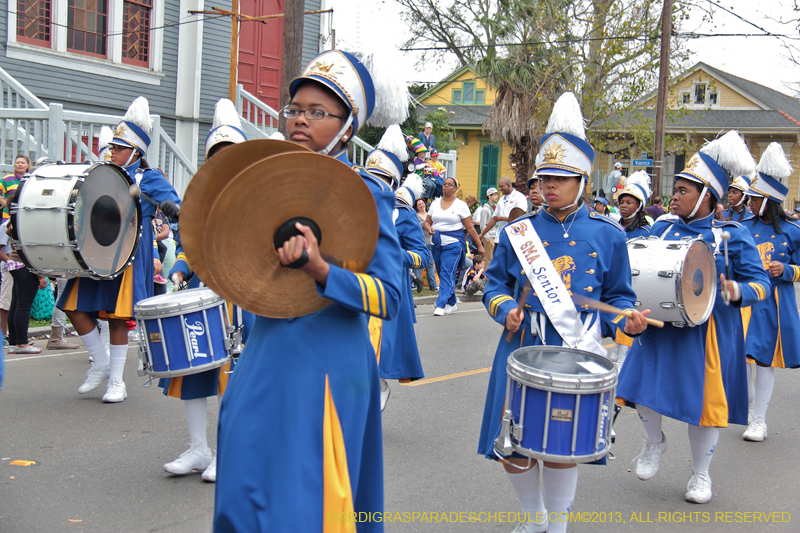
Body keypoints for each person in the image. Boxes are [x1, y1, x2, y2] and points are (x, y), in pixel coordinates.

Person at [213, 49, 406, 532]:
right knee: (244, 484)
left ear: (347, 127)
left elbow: (389, 297)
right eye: (295, 109)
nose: (300, 121)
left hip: (327, 366)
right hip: (263, 356)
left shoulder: (367, 192)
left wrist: (323, 270)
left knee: (309, 502)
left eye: (318, 113)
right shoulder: (261, 180)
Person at [478, 92, 648, 533]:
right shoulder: (521, 232)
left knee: (560, 441)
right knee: (512, 443)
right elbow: (495, 284)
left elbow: (619, 296)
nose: (548, 186)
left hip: (578, 347)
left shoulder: (608, 234)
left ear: (582, 181)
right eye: (544, 177)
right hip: (523, 343)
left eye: (560, 177)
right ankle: (534, 520)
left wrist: (625, 319)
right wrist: (503, 310)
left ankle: (558, 524)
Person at [617, 131, 770, 505]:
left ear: (706, 197)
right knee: (639, 389)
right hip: (658, 328)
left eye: (684, 190)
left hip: (707, 333)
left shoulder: (731, 236)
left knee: (701, 406)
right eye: (676, 188)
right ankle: (654, 443)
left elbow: (761, 283)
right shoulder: (662, 228)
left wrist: (737, 292)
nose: (675, 195)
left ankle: (700, 474)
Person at [58, 96, 181, 403]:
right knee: (73, 306)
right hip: (95, 249)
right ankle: (100, 363)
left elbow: (179, 208)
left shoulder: (150, 178)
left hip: (128, 254)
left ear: (136, 152)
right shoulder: (102, 173)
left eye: (119, 148)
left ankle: (116, 381)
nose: (113, 152)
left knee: (116, 316)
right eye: (112, 147)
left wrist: (166, 205)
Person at [159, 98, 252, 483]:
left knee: (231, 375)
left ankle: (229, 451)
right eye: (216, 153)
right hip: (202, 291)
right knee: (193, 369)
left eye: (230, 154)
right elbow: (187, 246)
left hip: (243, 296)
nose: (222, 160)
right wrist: (180, 270)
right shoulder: (197, 195)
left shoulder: (259, 192)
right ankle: (199, 448)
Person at [364, 125, 428, 410]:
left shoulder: (401, 214)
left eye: (380, 178)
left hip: (385, 286)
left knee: (375, 350)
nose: (373, 183)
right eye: (370, 177)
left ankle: (378, 390)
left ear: (391, 182)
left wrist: (393, 254)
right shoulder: (350, 204)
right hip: (352, 281)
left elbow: (421, 257)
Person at [740, 143, 800, 442]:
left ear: (769, 200)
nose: (749, 203)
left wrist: (787, 271)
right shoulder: (742, 226)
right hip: (745, 300)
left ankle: (759, 419)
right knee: (743, 358)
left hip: (774, 302)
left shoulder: (793, 230)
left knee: (764, 359)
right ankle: (750, 410)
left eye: (754, 199)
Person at [425, 176, 484, 316]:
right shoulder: (435, 203)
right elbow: (427, 221)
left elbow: (469, 228)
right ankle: (451, 302)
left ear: (455, 188)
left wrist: (480, 246)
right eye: (444, 184)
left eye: (450, 184)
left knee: (447, 272)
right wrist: (428, 228)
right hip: (437, 242)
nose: (446, 186)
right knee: (442, 273)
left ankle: (440, 304)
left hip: (454, 244)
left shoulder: (461, 205)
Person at [5, 239, 46, 354]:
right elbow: (32, 247)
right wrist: (41, 275)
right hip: (25, 263)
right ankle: (22, 343)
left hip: (15, 262)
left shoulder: (14, 222)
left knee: (16, 304)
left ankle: (13, 342)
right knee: (24, 305)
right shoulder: (28, 222)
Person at [477, 176, 528, 249]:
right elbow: (494, 219)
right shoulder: (501, 200)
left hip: (513, 239)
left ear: (509, 184)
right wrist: (482, 233)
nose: (500, 189)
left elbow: (521, 217)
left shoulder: (519, 197)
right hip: (499, 239)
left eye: (502, 186)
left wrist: (501, 218)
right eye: (499, 187)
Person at [413, 197, 438, 292]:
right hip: (420, 243)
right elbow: (417, 226)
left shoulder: (429, 215)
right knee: (418, 264)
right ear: (417, 207)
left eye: (422, 203)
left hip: (430, 243)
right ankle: (416, 284)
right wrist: (426, 223)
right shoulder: (415, 216)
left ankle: (433, 285)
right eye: (419, 205)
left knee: (430, 264)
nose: (421, 206)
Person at [0, 155, 30, 222]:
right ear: (14, 165)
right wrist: (5, 203)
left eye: (23, 163)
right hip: (8, 217)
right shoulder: (6, 179)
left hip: (26, 216)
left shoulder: (32, 179)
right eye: (17, 163)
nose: (20, 165)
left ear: (27, 165)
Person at [479, 187, 499, 264]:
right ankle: (486, 274)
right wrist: (486, 237)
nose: (496, 196)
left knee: (495, 257)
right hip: (489, 235)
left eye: (497, 194)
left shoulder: (497, 207)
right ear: (489, 196)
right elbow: (483, 224)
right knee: (489, 257)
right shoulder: (485, 209)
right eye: (494, 195)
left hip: (496, 234)